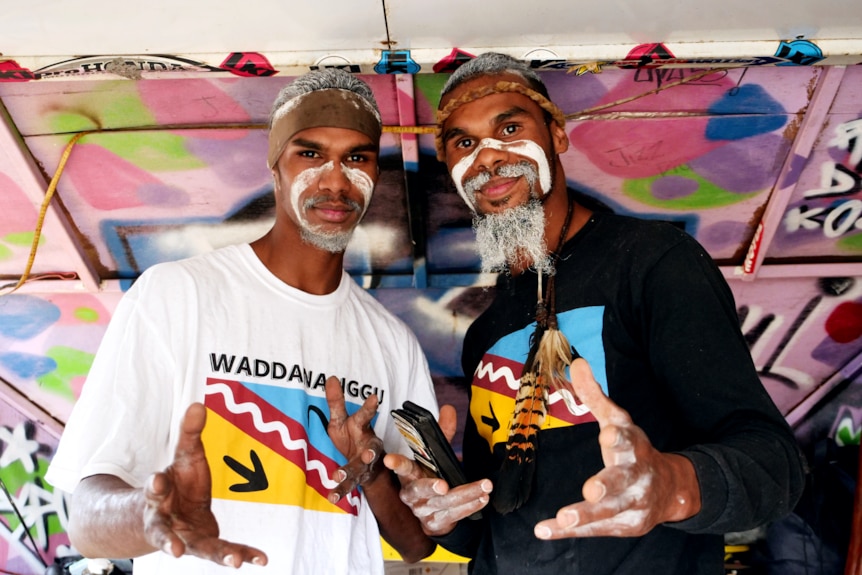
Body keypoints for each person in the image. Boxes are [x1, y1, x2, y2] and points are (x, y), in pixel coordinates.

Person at [384, 52, 807, 574]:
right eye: (464, 143)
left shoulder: (652, 262)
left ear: (557, 135)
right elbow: (490, 521)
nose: (489, 157)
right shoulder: (486, 330)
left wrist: (670, 487)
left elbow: (774, 467)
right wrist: (443, 509)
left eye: (510, 127)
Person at [45, 68, 438, 574]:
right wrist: (149, 517)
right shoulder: (177, 295)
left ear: (374, 176)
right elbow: (85, 517)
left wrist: (372, 474)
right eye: (310, 154)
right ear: (275, 165)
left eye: (356, 158)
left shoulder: (391, 342)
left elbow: (417, 545)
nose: (336, 181)